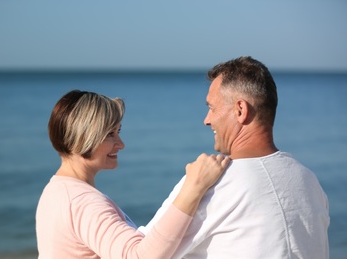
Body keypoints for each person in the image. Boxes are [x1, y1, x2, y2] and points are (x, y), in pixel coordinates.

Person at [139, 56, 330, 258]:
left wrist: (101, 212)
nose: (207, 120)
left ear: (240, 110)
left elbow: (140, 252)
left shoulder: (212, 184)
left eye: (211, 108)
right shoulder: (308, 180)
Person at [35, 90, 230, 258]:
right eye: (110, 134)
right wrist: (193, 188)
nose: (121, 144)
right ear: (83, 137)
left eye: (118, 131)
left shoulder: (55, 190)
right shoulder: (82, 202)